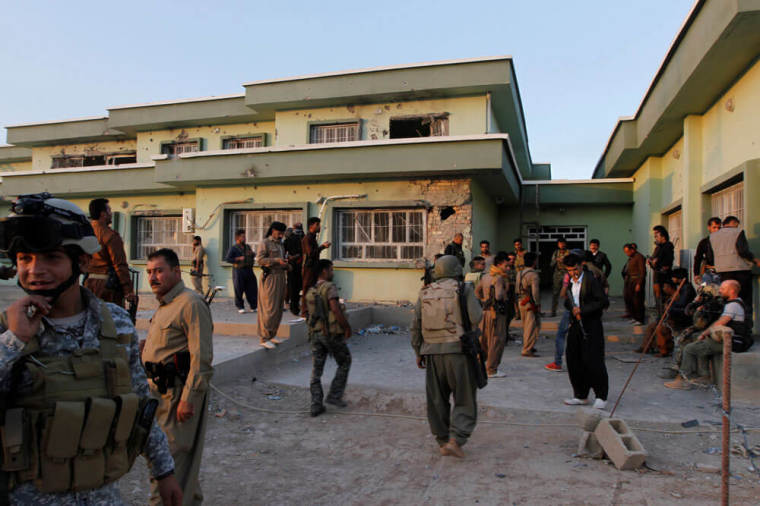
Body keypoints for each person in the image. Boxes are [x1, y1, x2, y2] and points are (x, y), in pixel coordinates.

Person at [0, 193, 182, 505]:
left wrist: (164, 472)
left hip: (101, 495)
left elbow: (140, 403)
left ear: (82, 261)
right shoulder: (8, 329)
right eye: (25, 259)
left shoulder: (116, 324)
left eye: (52, 258)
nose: (35, 270)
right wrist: (13, 340)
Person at [142, 248, 213, 505]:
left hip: (177, 398)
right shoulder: (165, 305)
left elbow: (201, 357)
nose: (153, 277)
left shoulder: (190, 303)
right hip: (157, 397)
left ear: (176, 271)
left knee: (167, 467)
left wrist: (189, 398)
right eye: (149, 272)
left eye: (159, 271)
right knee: (179, 469)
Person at [411, 255, 483, 458]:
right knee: (464, 397)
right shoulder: (464, 289)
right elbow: (476, 317)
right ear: (457, 270)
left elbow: (415, 324)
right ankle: (456, 439)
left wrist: (418, 351)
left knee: (437, 400)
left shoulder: (425, 292)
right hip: (458, 351)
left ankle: (442, 439)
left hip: (432, 353)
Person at [665, 280, 751, 389]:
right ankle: (704, 376)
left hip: (733, 341)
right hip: (729, 339)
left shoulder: (733, 305)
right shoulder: (733, 302)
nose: (720, 291)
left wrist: (704, 333)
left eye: (723, 289)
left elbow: (720, 323)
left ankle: (685, 380)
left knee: (690, 348)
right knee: (698, 342)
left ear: (732, 291)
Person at [304, 259, 352, 417]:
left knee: (316, 370)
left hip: (315, 334)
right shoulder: (329, 287)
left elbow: (305, 313)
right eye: (331, 269)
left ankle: (315, 404)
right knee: (345, 361)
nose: (333, 272)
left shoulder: (311, 289)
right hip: (330, 334)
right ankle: (334, 396)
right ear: (324, 271)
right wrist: (346, 327)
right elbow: (335, 309)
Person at [562, 254, 610, 410]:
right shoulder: (570, 282)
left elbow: (603, 301)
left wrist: (582, 310)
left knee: (593, 360)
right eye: (569, 270)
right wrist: (572, 308)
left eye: (575, 269)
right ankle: (580, 395)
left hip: (591, 324)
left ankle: (601, 396)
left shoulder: (591, 280)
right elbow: (567, 301)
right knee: (573, 359)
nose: (573, 273)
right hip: (575, 325)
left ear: (581, 266)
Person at [84, 197, 136, 307]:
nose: (111, 214)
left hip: (88, 284)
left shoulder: (85, 233)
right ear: (103, 214)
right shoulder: (110, 235)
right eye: (109, 210)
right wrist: (128, 290)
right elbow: (119, 265)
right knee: (111, 320)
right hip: (108, 286)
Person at [710, 216, 760, 327]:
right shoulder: (738, 232)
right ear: (733, 222)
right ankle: (745, 328)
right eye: (737, 224)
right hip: (740, 270)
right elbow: (742, 250)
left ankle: (728, 326)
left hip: (723, 272)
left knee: (728, 299)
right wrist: (754, 260)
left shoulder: (713, 236)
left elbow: (711, 254)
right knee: (744, 301)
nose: (737, 226)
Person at [637, 268, 696, 357]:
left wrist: (670, 307)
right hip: (675, 314)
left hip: (681, 318)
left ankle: (663, 350)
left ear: (679, 278)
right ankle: (645, 347)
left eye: (674, 277)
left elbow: (682, 305)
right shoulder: (681, 288)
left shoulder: (687, 289)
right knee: (651, 326)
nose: (673, 279)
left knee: (660, 329)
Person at [475, 252, 510, 378]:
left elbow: (477, 291)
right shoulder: (499, 278)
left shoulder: (485, 276)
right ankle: (492, 369)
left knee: (483, 340)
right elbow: (498, 296)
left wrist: (483, 301)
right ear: (499, 264)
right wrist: (505, 290)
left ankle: (479, 366)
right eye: (506, 266)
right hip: (496, 314)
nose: (508, 268)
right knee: (496, 341)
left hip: (484, 312)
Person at [257, 221, 289, 349]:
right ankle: (264, 337)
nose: (281, 235)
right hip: (270, 277)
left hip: (281, 276)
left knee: (278, 309)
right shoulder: (265, 243)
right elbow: (260, 260)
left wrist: (287, 264)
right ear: (273, 231)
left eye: (283, 234)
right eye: (279, 233)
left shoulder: (281, 244)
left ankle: (272, 334)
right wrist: (276, 260)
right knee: (269, 308)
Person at [301, 217, 331, 315]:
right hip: (308, 267)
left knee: (313, 288)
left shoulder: (312, 237)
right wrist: (322, 247)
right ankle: (305, 311)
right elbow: (311, 253)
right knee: (307, 288)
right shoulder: (308, 238)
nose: (319, 227)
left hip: (313, 267)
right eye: (317, 225)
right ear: (311, 226)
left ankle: (310, 309)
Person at [225, 228, 257, 314]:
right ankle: (240, 307)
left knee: (252, 289)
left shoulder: (247, 247)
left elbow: (253, 255)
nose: (245, 238)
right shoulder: (234, 248)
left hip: (249, 270)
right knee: (239, 289)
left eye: (245, 236)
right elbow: (228, 259)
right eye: (243, 237)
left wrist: (253, 254)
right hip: (239, 271)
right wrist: (238, 258)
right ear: (238, 238)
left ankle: (253, 306)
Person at [545, 271, 570, 372]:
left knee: (561, 334)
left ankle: (558, 362)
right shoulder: (593, 272)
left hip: (572, 309)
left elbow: (562, 293)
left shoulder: (570, 275)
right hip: (587, 310)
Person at [517, 252, 541, 357]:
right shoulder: (533, 274)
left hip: (521, 301)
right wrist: (537, 303)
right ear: (534, 261)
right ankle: (527, 349)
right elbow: (535, 292)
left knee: (525, 326)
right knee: (532, 326)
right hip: (529, 303)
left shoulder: (519, 273)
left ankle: (528, 345)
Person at [648, 226, 674, 317]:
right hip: (657, 275)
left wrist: (657, 262)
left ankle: (664, 318)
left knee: (664, 298)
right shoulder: (657, 248)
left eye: (657, 235)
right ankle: (660, 316)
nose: (655, 238)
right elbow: (653, 261)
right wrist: (651, 261)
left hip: (664, 276)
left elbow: (667, 262)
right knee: (657, 298)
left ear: (663, 236)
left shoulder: (668, 246)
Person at [622, 243, 646, 324]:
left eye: (627, 251)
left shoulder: (639, 257)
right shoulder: (631, 258)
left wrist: (639, 283)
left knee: (637, 300)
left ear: (632, 250)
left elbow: (642, 272)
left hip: (636, 280)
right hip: (630, 281)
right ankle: (634, 317)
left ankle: (640, 319)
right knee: (630, 299)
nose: (627, 254)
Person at [284, 222, 305, 315]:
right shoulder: (302, 237)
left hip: (295, 264)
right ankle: (292, 304)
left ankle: (293, 305)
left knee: (293, 286)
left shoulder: (294, 238)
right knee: (293, 286)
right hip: (296, 264)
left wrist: (289, 258)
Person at [693, 217, 721, 284]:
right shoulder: (704, 242)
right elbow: (698, 258)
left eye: (719, 228)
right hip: (708, 273)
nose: (717, 230)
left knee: (721, 293)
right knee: (704, 291)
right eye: (714, 227)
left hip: (722, 273)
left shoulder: (724, 241)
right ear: (709, 227)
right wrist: (696, 274)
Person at [550, 237, 569, 316]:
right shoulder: (556, 253)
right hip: (557, 274)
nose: (562, 245)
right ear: (558, 245)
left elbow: (572, 263)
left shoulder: (569, 252)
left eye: (563, 243)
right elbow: (551, 264)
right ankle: (553, 311)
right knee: (555, 293)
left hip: (567, 274)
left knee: (568, 293)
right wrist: (556, 260)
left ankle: (570, 310)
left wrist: (564, 261)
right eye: (560, 244)